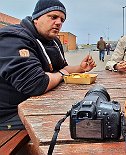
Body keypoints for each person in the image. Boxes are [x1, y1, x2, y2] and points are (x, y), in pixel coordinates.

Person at [0, 0, 96, 130]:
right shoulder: (14, 38)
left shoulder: (53, 41)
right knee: (69, 125)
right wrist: (61, 74)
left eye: (62, 20)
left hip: (36, 103)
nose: (59, 23)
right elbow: (36, 84)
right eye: (53, 17)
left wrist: (80, 68)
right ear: (36, 18)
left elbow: (63, 69)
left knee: (87, 112)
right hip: (10, 114)